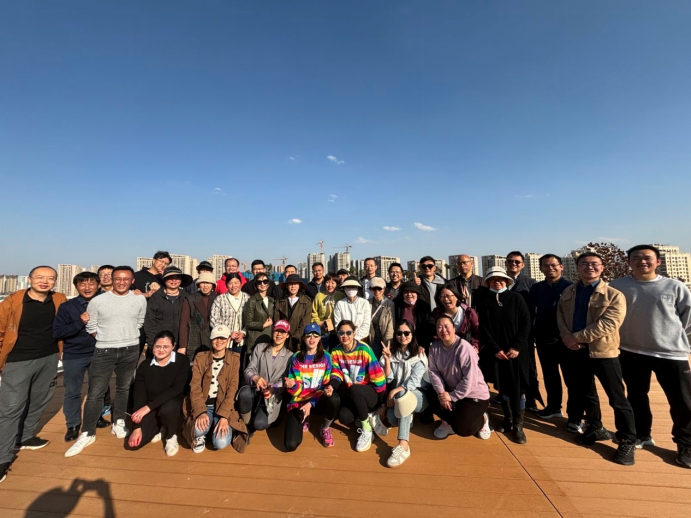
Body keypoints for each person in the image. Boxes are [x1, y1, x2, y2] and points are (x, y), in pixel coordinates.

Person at [610, 245, 691, 468]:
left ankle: (686, 444)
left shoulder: (674, 286)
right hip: (631, 350)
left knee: (682, 401)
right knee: (636, 396)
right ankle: (641, 434)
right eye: (636, 258)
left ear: (658, 262)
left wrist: (674, 338)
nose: (642, 261)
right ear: (629, 262)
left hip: (670, 353)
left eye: (647, 258)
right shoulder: (618, 285)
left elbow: (687, 318)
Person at [557, 252, 637, 466]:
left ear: (602, 268)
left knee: (617, 397)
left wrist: (574, 337)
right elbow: (560, 316)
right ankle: (595, 427)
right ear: (577, 268)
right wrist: (567, 337)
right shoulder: (569, 291)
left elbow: (608, 324)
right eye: (584, 264)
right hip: (576, 351)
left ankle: (627, 440)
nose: (589, 267)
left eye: (594, 264)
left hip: (603, 352)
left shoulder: (613, 295)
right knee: (587, 393)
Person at [65, 266, 147, 458]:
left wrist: (126, 336)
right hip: (104, 350)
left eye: (126, 279)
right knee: (95, 392)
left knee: (123, 388)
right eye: (118, 278)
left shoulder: (139, 299)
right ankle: (87, 432)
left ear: (132, 281)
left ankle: (118, 421)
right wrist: (105, 338)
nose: (121, 282)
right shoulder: (98, 301)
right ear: (111, 279)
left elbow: (139, 321)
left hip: (130, 348)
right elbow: (91, 325)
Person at [0, 266, 66, 483]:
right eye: (39, 277)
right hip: (17, 360)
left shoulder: (59, 299)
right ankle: (2, 457)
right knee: (10, 408)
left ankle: (25, 436)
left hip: (49, 357)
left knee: (40, 399)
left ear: (55, 281)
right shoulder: (12, 302)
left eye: (50, 278)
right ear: (29, 279)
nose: (44, 281)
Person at [474, 266, 531, 444]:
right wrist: (495, 349)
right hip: (497, 352)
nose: (497, 282)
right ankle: (507, 419)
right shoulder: (485, 301)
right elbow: (484, 328)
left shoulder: (516, 298)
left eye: (500, 279)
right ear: (488, 282)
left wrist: (517, 346)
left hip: (517, 352)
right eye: (493, 279)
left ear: (506, 280)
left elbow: (526, 323)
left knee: (518, 388)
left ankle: (518, 426)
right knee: (503, 387)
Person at [53, 272, 111, 442]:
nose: (87, 287)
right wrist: (80, 322)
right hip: (74, 354)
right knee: (72, 391)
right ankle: (73, 425)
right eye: (82, 284)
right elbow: (58, 332)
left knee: (98, 389)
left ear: (98, 285)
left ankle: (96, 417)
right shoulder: (67, 307)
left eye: (91, 283)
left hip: (99, 352)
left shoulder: (106, 303)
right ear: (76, 287)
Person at [182, 325, 248, 454]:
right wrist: (200, 412)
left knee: (220, 443)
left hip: (223, 406)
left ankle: (217, 426)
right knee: (197, 430)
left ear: (228, 339)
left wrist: (224, 416)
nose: (219, 341)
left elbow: (232, 389)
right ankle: (204, 432)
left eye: (223, 338)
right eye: (216, 338)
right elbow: (195, 387)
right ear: (211, 339)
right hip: (204, 404)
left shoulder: (234, 359)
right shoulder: (201, 357)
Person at [429, 315, 492, 443]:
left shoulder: (464, 348)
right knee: (430, 394)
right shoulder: (434, 347)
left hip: (475, 395)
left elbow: (470, 380)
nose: (443, 330)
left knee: (463, 429)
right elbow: (433, 372)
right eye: (439, 327)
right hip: (453, 390)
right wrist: (441, 393)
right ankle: (449, 422)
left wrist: (451, 397)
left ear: (454, 328)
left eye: (446, 326)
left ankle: (482, 419)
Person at [376, 319, 430, 467]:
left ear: (412, 334)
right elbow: (388, 378)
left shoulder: (419, 355)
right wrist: (387, 360)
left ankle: (403, 446)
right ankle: (407, 418)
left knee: (403, 397)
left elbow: (413, 383)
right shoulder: (393, 353)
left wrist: (394, 391)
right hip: (398, 397)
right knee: (393, 419)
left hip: (419, 396)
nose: (403, 336)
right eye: (399, 333)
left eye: (407, 333)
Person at [126, 331, 190, 456]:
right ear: (153, 346)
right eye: (158, 346)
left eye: (166, 346)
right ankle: (160, 425)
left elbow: (177, 389)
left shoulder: (182, 361)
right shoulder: (144, 366)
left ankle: (171, 435)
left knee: (168, 409)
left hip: (172, 402)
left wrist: (147, 408)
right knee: (136, 444)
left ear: (173, 346)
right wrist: (136, 427)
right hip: (151, 405)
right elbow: (139, 395)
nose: (161, 350)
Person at [528, 254, 574, 421]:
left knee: (571, 378)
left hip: (566, 340)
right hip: (544, 339)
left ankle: (574, 415)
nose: (550, 268)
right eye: (546, 265)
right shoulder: (537, 288)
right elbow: (530, 311)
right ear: (541, 268)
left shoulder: (571, 287)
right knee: (550, 375)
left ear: (561, 266)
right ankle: (554, 407)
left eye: (554, 265)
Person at [330, 320, 386, 452]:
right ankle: (365, 416)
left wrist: (382, 404)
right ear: (337, 334)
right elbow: (336, 374)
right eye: (341, 333)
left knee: (355, 389)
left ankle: (367, 430)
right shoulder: (336, 352)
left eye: (348, 333)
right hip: (353, 394)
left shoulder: (364, 349)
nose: (345, 336)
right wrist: (332, 386)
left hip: (370, 393)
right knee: (344, 417)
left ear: (354, 333)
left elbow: (378, 378)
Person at [284, 324, 340, 451]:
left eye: (315, 335)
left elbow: (325, 384)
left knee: (334, 398)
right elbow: (296, 390)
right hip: (300, 401)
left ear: (320, 338)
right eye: (308, 335)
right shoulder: (296, 357)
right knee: (290, 444)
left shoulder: (326, 357)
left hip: (318, 400)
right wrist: (293, 385)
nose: (312, 338)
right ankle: (305, 417)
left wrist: (310, 404)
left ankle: (325, 427)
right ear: (303, 338)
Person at [237, 320, 294, 433]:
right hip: (255, 389)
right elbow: (248, 370)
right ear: (272, 332)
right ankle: (246, 424)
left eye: (282, 332)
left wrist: (274, 388)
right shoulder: (260, 348)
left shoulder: (290, 356)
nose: (279, 334)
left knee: (259, 424)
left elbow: (285, 379)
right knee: (244, 394)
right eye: (276, 331)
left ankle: (264, 418)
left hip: (271, 396)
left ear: (287, 335)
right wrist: (255, 378)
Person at [505, 251, 539, 412]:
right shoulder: (500, 281)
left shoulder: (531, 283)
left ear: (523, 265)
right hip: (505, 332)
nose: (513, 264)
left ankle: (531, 398)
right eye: (510, 261)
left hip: (525, 332)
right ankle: (506, 394)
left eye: (517, 262)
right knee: (506, 365)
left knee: (529, 367)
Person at [143, 266, 192, 352]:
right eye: (170, 278)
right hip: (161, 343)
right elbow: (149, 321)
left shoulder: (187, 297)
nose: (174, 281)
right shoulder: (156, 297)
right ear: (164, 279)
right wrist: (153, 343)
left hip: (182, 344)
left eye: (177, 278)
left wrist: (185, 344)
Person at [178, 272, 217, 361]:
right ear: (198, 284)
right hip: (194, 342)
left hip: (212, 343)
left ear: (212, 285)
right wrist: (182, 345)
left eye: (208, 283)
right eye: (202, 283)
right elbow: (183, 323)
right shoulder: (190, 298)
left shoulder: (217, 298)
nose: (205, 286)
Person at [432, 284, 481, 352]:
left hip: (466, 349)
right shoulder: (437, 313)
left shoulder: (468, 312)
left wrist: (475, 345)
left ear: (456, 296)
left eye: (448, 296)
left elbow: (477, 331)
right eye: (442, 296)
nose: (446, 299)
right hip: (445, 350)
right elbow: (434, 332)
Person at [210, 273, 249, 352]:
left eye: (236, 283)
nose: (233, 286)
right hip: (224, 342)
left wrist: (243, 332)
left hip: (243, 342)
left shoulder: (247, 298)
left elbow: (251, 319)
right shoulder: (220, 299)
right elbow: (213, 320)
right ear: (226, 285)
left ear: (240, 283)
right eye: (230, 283)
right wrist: (228, 333)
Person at [274, 274, 312, 349]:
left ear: (299, 286)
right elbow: (277, 320)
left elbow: (305, 322)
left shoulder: (306, 302)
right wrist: (283, 335)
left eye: (295, 284)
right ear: (286, 286)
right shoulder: (280, 301)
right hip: (283, 338)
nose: (293, 286)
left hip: (298, 340)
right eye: (290, 284)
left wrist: (296, 337)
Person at [394, 282, 434, 352]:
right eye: (406, 292)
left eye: (412, 292)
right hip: (402, 343)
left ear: (417, 293)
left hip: (420, 344)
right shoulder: (397, 306)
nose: (409, 294)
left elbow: (428, 328)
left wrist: (423, 345)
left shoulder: (424, 306)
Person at [243, 272, 276, 354]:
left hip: (269, 339)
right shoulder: (252, 301)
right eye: (259, 282)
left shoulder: (272, 301)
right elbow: (248, 323)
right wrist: (263, 325)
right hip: (255, 340)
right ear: (256, 284)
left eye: (265, 281)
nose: (262, 284)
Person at [310, 273, 345, 351]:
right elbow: (313, 312)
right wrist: (319, 323)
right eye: (327, 282)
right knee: (322, 352)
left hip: (337, 332)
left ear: (337, 284)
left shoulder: (341, 296)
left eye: (333, 283)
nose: (330, 285)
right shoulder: (319, 296)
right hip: (322, 331)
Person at [333, 277, 371, 344]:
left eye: (353, 287)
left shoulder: (364, 303)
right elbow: (337, 325)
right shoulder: (340, 304)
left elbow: (366, 325)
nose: (350, 289)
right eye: (348, 287)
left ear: (357, 288)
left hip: (361, 340)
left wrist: (355, 338)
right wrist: (346, 337)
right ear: (344, 289)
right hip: (344, 339)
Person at [368, 277, 394, 358]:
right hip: (372, 340)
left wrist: (388, 344)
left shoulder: (389, 304)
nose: (377, 291)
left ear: (384, 289)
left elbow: (391, 326)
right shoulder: (367, 303)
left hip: (385, 340)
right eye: (374, 289)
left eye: (379, 288)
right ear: (370, 289)